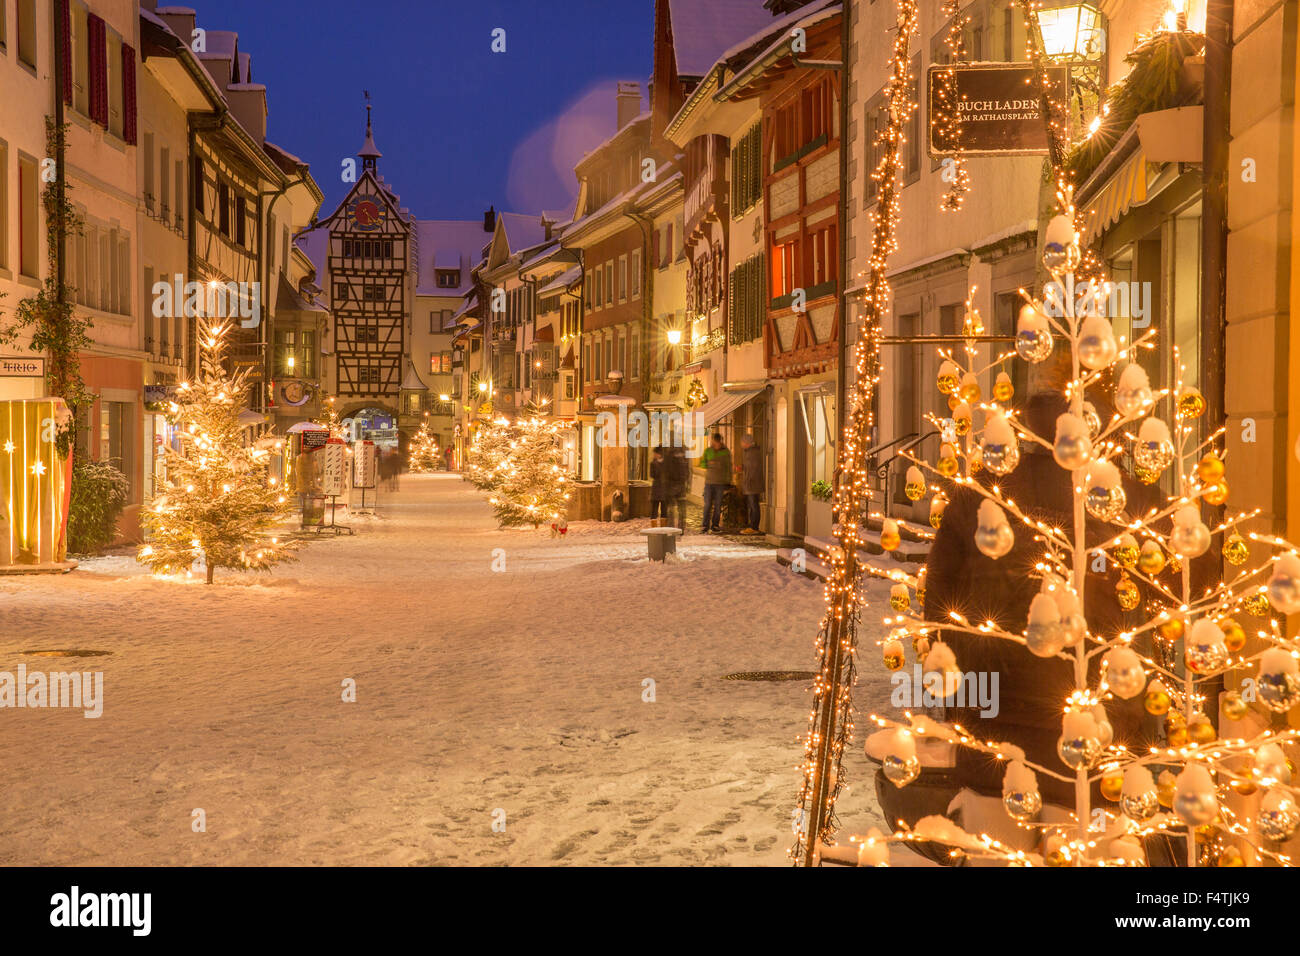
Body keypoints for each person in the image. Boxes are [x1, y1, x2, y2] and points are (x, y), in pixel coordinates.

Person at [698, 432, 731, 534]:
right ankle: (705, 525)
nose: (715, 444)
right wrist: (709, 464)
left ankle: (715, 525)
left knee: (718, 505)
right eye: (714, 441)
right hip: (709, 482)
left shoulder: (725, 452)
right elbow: (702, 463)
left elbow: (728, 468)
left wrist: (728, 482)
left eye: (716, 442)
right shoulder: (708, 451)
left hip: (720, 483)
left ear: (720, 441)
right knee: (707, 504)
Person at [737, 433, 763, 535]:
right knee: (752, 505)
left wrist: (749, 480)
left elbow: (754, 469)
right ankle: (752, 526)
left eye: (742, 442)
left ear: (747, 443)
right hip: (751, 483)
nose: (741, 444)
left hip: (753, 483)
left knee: (753, 505)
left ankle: (754, 527)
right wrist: (742, 467)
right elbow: (749, 466)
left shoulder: (753, 452)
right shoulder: (749, 452)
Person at [665, 444, 690, 531]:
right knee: (682, 508)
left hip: (671, 485)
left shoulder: (669, 452)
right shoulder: (685, 450)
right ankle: (681, 528)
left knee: (671, 508)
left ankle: (671, 528)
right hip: (681, 484)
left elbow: (665, 470)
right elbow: (688, 468)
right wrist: (688, 483)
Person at [649, 447, 670, 522]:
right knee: (654, 510)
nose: (654, 455)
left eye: (655, 453)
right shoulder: (652, 463)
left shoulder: (666, 464)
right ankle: (653, 528)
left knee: (664, 510)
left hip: (664, 489)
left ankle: (663, 528)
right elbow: (652, 475)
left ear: (659, 454)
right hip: (656, 489)